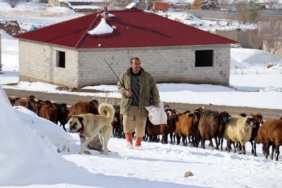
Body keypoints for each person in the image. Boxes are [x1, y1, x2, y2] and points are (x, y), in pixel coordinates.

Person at [117, 57, 160, 148]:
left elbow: (154, 90)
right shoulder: (125, 75)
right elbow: (119, 86)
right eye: (135, 64)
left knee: (141, 125)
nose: (137, 65)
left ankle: (138, 144)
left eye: (139, 63)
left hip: (143, 105)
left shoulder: (147, 76)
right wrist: (125, 92)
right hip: (128, 105)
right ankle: (129, 143)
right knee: (127, 124)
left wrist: (156, 101)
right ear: (131, 64)